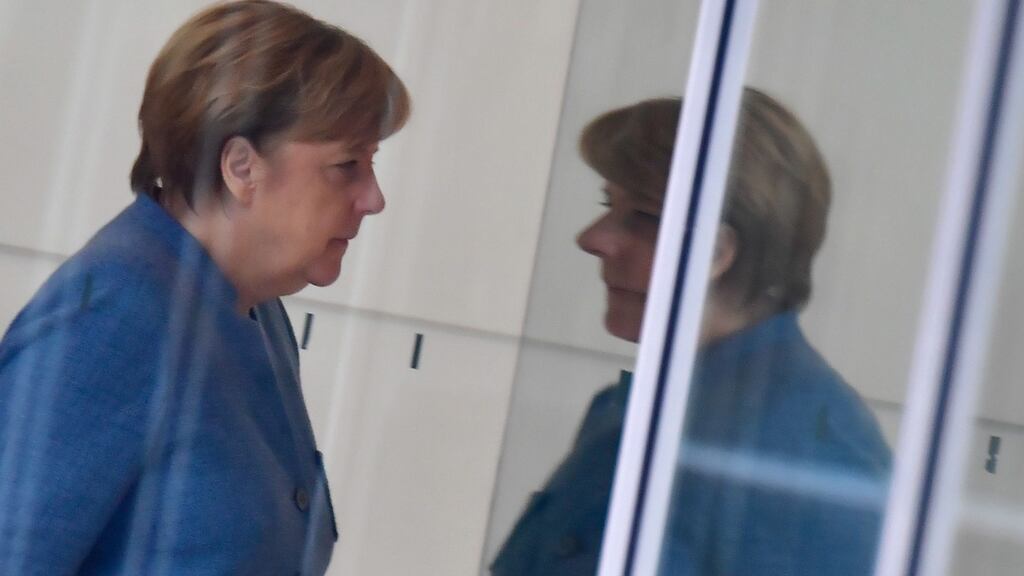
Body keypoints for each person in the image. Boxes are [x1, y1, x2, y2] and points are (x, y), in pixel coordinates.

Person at [0, 1, 410, 574]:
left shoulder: (256, 310)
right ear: (241, 167)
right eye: (347, 165)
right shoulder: (113, 320)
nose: (374, 198)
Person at [491, 90, 890, 575]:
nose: (593, 238)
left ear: (718, 251)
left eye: (643, 217)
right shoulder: (646, 408)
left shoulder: (799, 458)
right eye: (608, 204)